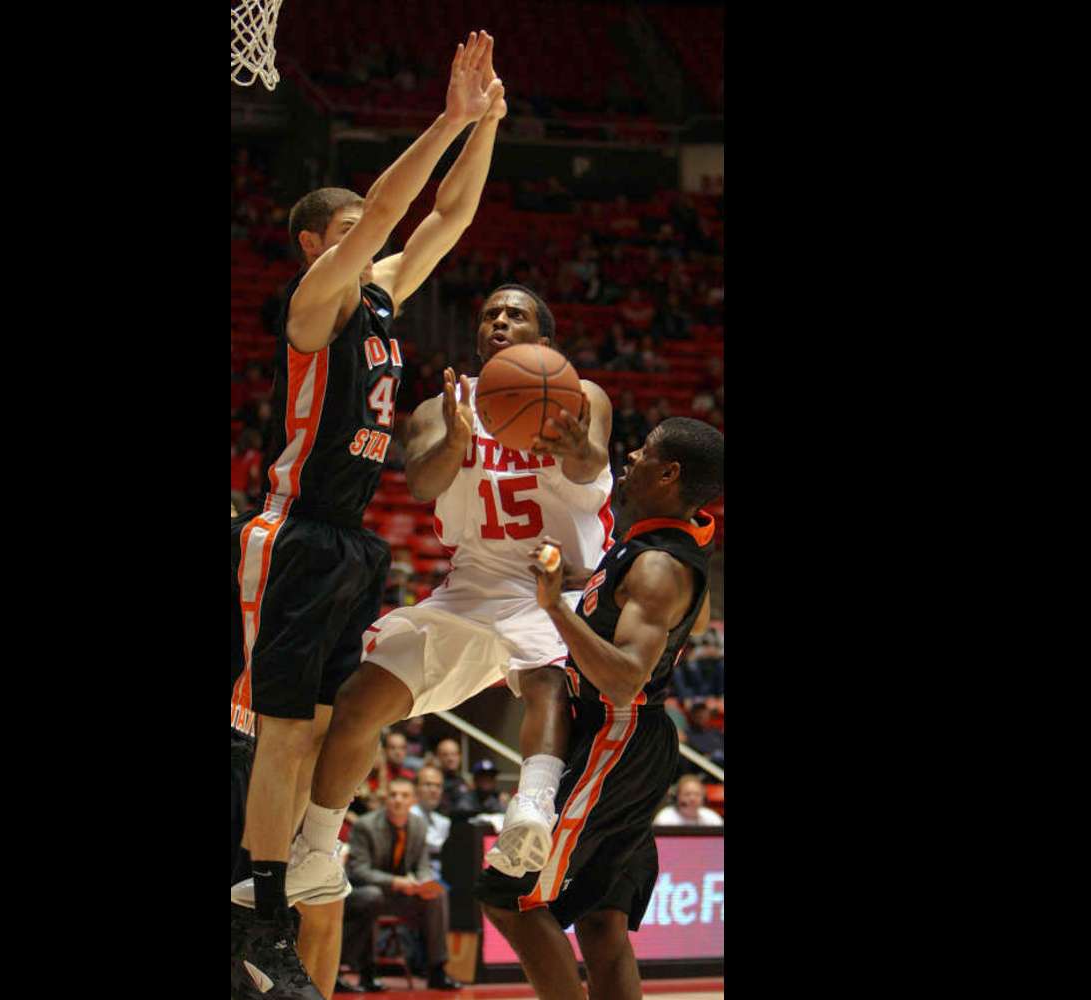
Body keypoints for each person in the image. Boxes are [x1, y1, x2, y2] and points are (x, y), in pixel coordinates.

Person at [230, 31, 507, 1000]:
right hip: (293, 527)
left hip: (353, 540)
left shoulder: (384, 293)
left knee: (315, 728)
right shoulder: (315, 301)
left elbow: (446, 218)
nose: (378, 241)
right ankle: (260, 911)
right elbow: (395, 206)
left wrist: (490, 128)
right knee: (282, 732)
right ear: (321, 243)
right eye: (355, 230)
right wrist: (448, 117)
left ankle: (288, 873)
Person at [289, 281, 615, 910]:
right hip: (472, 586)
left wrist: (580, 447)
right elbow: (419, 482)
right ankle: (319, 855)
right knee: (359, 699)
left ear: (543, 340)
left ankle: (531, 810)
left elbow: (588, 464)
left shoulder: (582, 396)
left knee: (548, 676)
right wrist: (458, 442)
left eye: (515, 314)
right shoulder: (443, 408)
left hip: (555, 584)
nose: (498, 320)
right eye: (490, 312)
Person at [475, 417, 724, 1000]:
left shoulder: (659, 565)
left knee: (508, 896)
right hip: (635, 743)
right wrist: (573, 581)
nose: (630, 457)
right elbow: (640, 605)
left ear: (670, 474)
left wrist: (554, 608)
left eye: (644, 453)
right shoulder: (654, 549)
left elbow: (622, 679)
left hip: (615, 734)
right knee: (601, 919)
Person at [340, 778, 461, 992]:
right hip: (366, 893)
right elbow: (358, 871)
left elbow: (423, 865)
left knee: (437, 895)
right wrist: (395, 882)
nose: (398, 800)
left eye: (404, 796)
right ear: (385, 799)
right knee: (372, 895)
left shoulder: (418, 826)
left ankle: (437, 970)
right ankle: (367, 973)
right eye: (393, 795)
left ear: (413, 801)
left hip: (403, 895)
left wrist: (423, 883)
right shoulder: (364, 826)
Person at [409, 765, 452, 879]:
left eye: (438, 786)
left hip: (442, 876)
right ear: (415, 788)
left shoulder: (444, 822)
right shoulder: (407, 818)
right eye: (427, 784)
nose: (434, 790)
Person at [653, 774, 724, 827]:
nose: (692, 799)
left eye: (697, 794)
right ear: (677, 796)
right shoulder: (665, 818)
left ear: (704, 798)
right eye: (687, 794)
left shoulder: (712, 818)